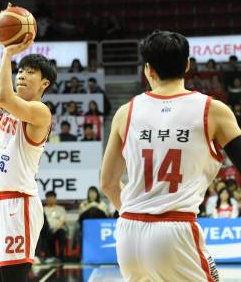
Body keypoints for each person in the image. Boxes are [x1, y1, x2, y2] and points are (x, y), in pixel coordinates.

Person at [101, 30, 241, 281]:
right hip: (176, 228)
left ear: (148, 69)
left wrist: (139, 214)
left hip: (128, 232)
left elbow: (108, 183)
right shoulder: (213, 110)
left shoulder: (125, 112)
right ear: (187, 65)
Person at [0, 3, 56, 282]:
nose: (22, 74)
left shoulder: (40, 113)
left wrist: (9, 53)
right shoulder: (10, 109)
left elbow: (6, 97)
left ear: (44, 83)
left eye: (30, 72)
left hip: (20, 204)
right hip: (0, 204)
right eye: (20, 70)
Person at [43, 191, 67, 262]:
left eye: (52, 197)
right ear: (46, 199)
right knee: (44, 233)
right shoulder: (43, 209)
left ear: (55, 198)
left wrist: (55, 228)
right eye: (48, 197)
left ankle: (61, 256)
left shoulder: (61, 209)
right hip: (46, 229)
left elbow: (62, 220)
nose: (50, 199)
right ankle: (49, 256)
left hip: (57, 229)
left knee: (62, 232)